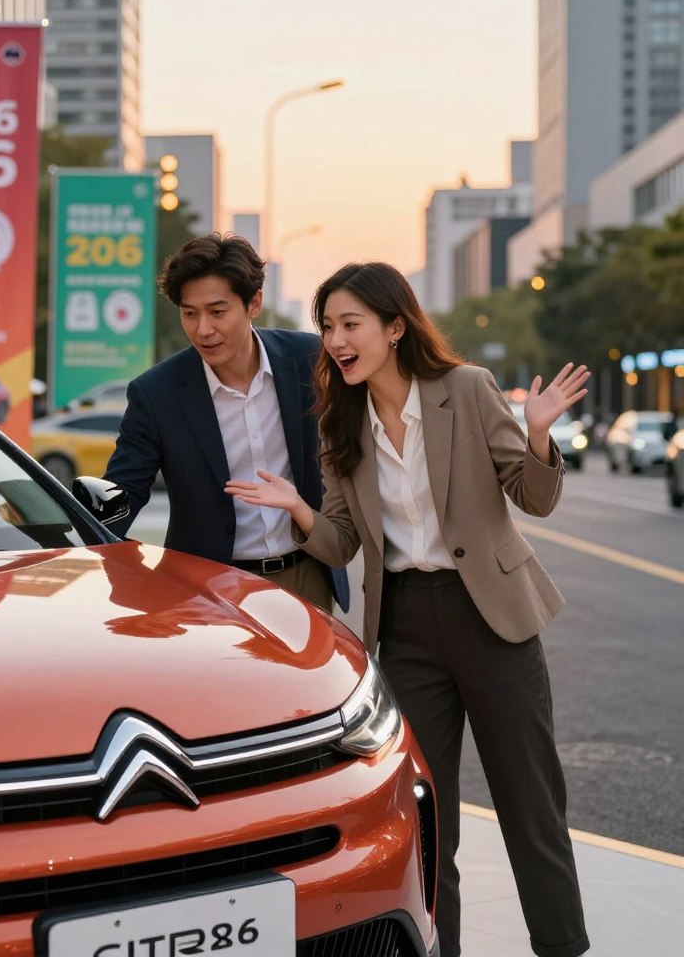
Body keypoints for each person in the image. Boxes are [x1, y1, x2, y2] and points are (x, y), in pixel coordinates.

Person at [225, 260, 590, 957]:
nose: (335, 339)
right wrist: (298, 508)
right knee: (428, 819)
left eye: (350, 324)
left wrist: (538, 434)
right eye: (328, 326)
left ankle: (563, 946)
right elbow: (339, 545)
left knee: (531, 807)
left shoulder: (467, 390)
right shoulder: (340, 419)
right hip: (406, 629)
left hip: (494, 621)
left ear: (395, 327)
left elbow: (533, 498)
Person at [104, 232, 348, 613]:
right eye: (189, 313)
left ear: (254, 303)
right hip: (208, 588)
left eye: (217, 312)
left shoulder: (309, 359)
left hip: (307, 576)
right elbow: (123, 493)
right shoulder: (156, 393)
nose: (203, 329)